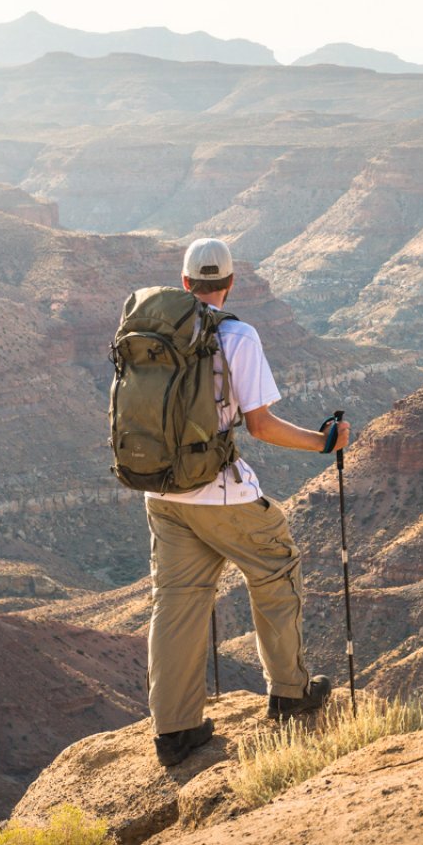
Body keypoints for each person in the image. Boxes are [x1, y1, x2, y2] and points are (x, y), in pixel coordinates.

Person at [147, 237, 347, 767]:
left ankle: (175, 732)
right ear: (230, 284)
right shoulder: (235, 334)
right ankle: (289, 693)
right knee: (276, 568)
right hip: (219, 491)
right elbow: (259, 425)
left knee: (177, 602)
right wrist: (323, 442)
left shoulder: (146, 333)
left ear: (185, 283)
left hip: (162, 492)